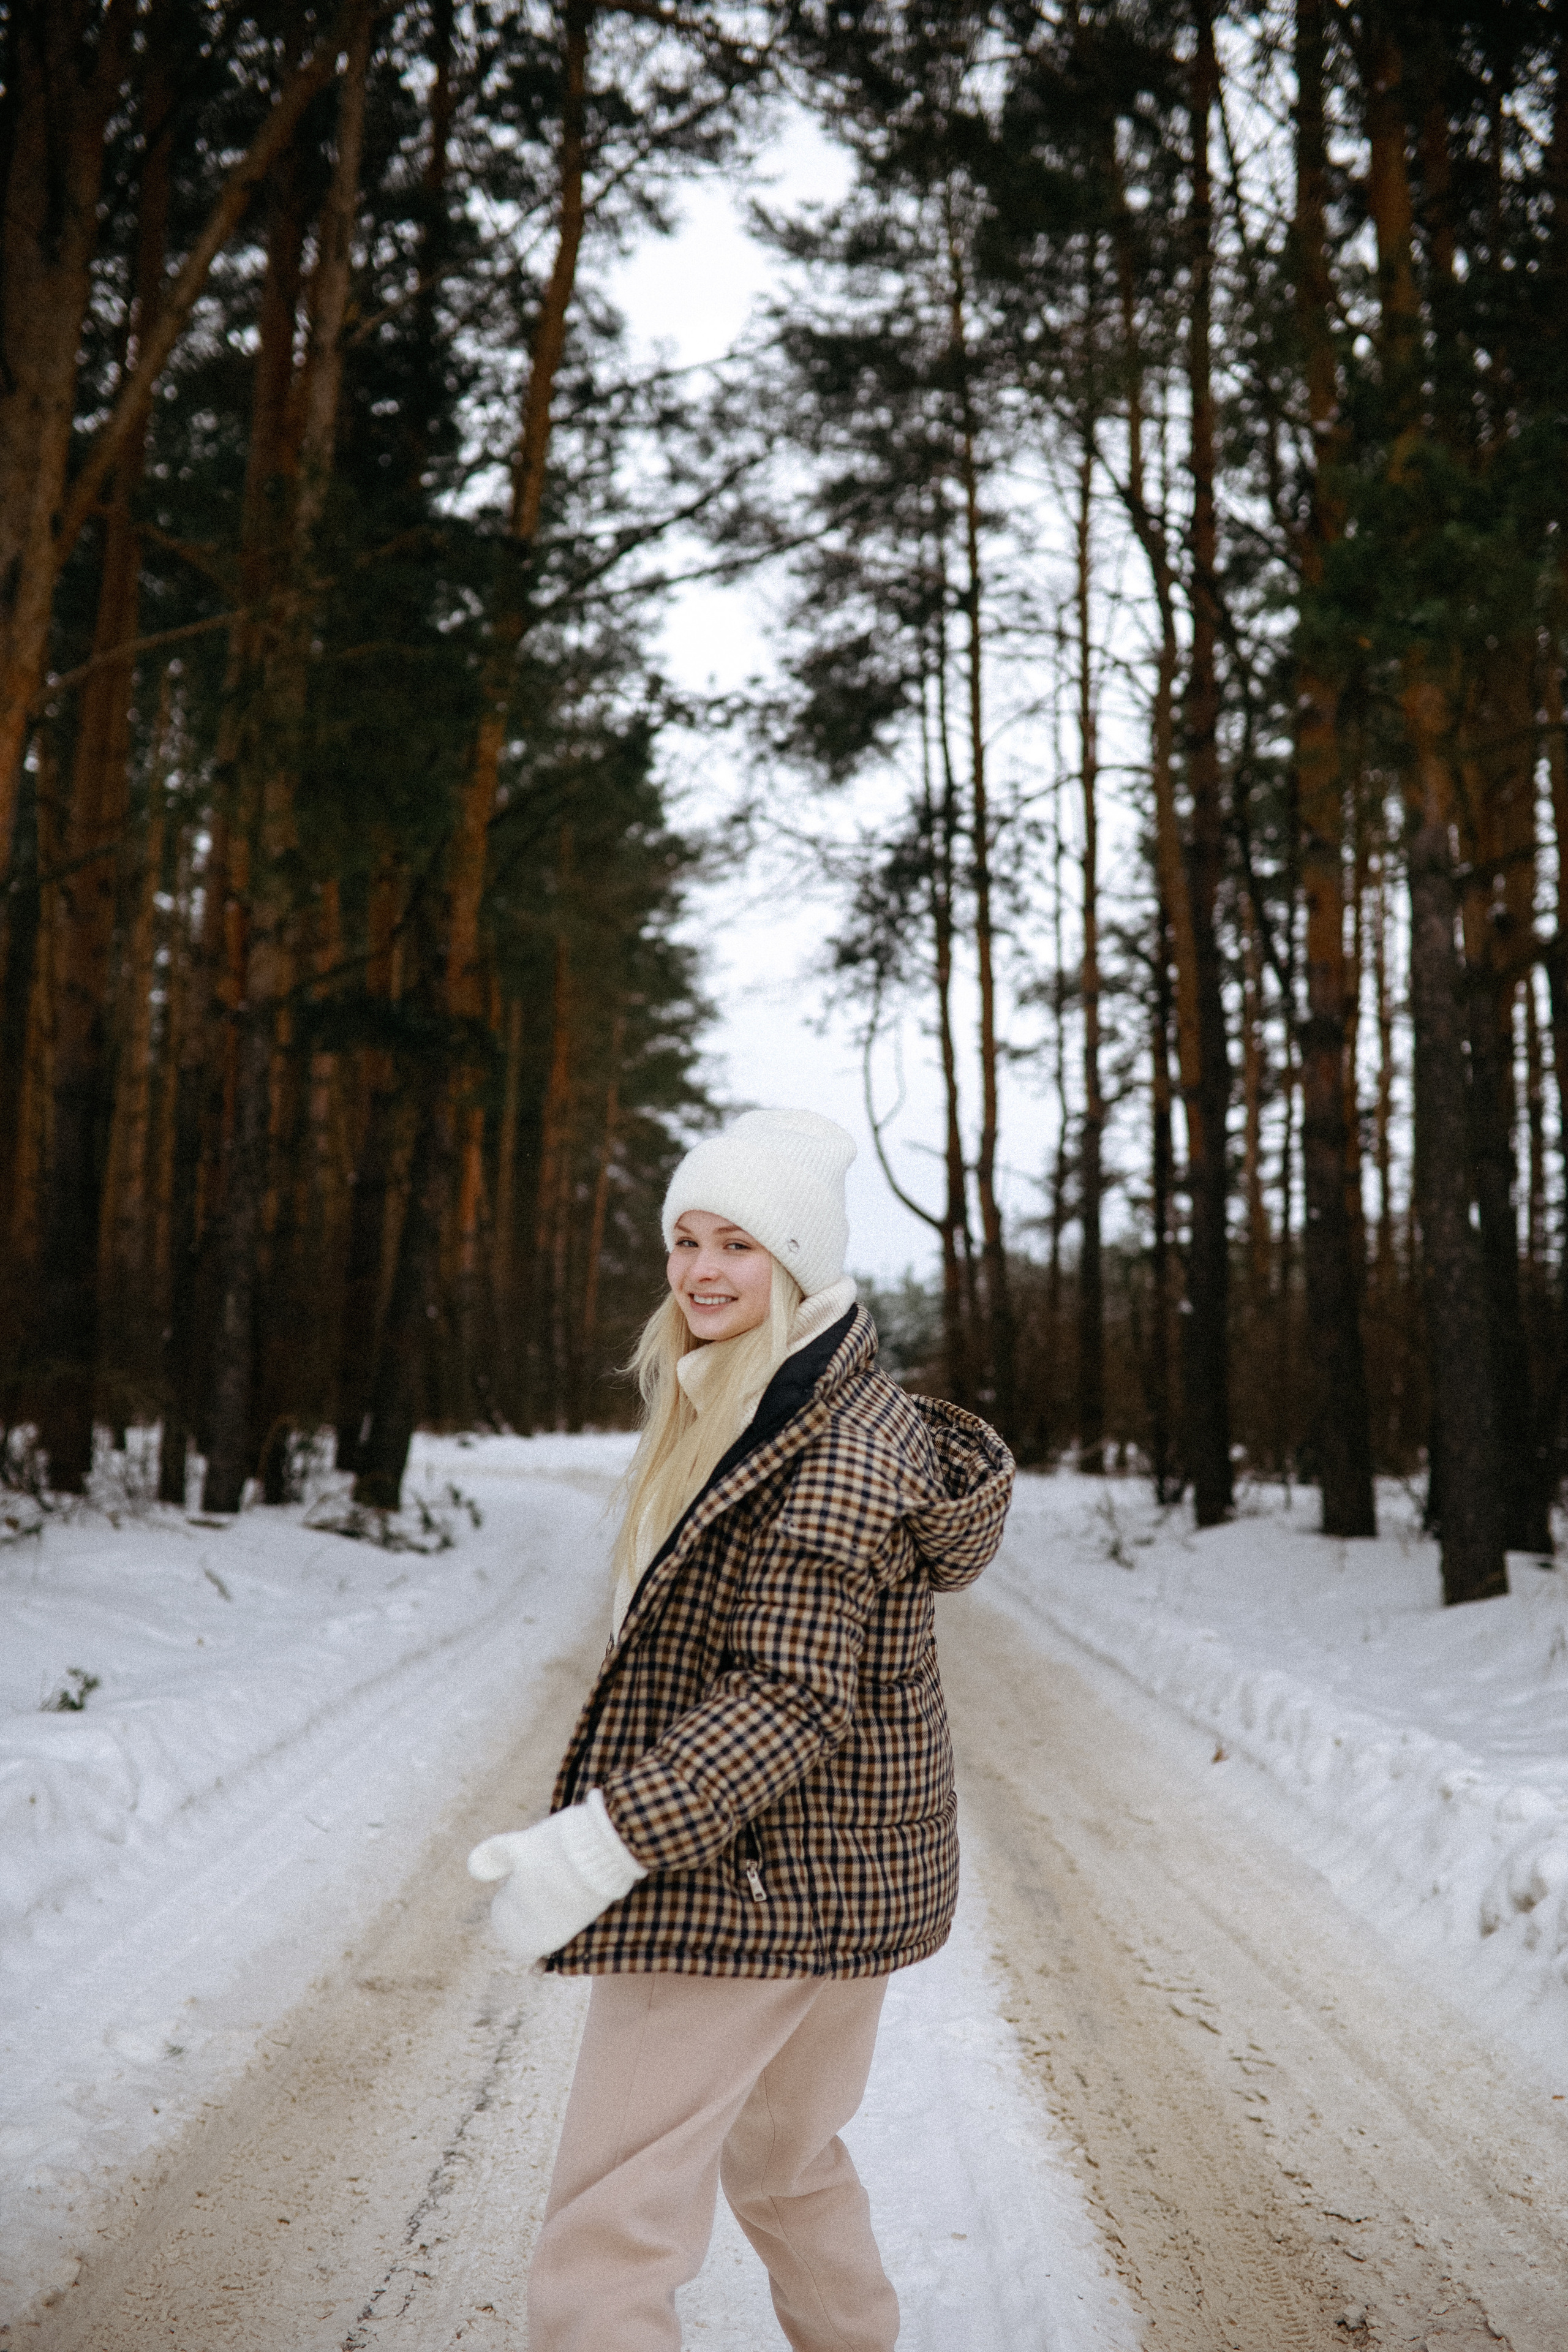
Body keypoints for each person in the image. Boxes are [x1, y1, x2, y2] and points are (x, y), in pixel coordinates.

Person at [467, 1106, 1014, 2351]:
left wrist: (603, 1842)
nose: (703, 1272)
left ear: (801, 1264)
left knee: (604, 2245)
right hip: (844, 1882)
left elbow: (787, 1695)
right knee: (784, 2160)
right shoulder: (772, 1398)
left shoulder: (822, 1450)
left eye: (740, 1247)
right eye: (686, 1240)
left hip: (749, 1887)